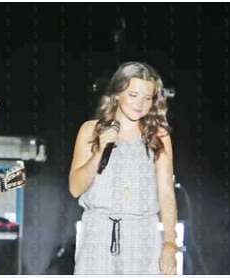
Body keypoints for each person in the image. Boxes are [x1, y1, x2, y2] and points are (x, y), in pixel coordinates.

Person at [69, 62, 177, 274]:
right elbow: (75, 188)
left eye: (148, 98)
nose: (141, 104)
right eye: (133, 95)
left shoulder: (159, 135)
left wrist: (170, 244)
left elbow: (166, 192)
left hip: (143, 234)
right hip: (97, 234)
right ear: (117, 94)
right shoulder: (90, 130)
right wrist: (99, 151)